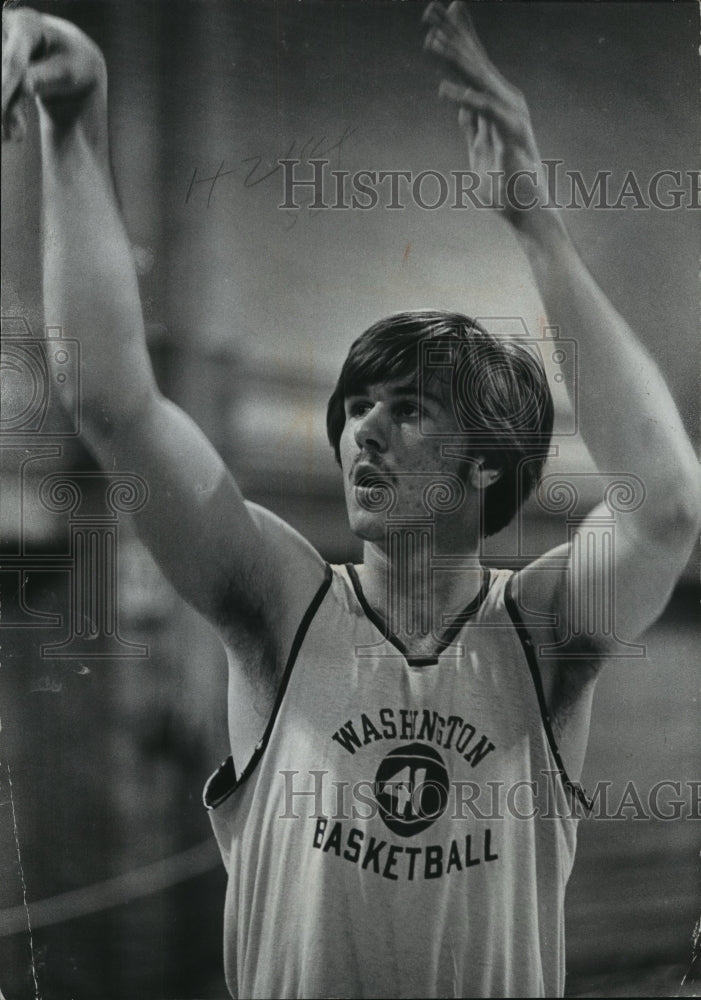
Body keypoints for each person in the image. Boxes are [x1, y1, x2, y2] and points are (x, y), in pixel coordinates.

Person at [2, 2, 699, 997]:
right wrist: (78, 122)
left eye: (406, 409)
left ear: (483, 466)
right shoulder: (278, 599)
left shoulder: (540, 633)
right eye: (355, 405)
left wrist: (534, 223)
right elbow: (112, 403)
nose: (360, 431)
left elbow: (667, 504)